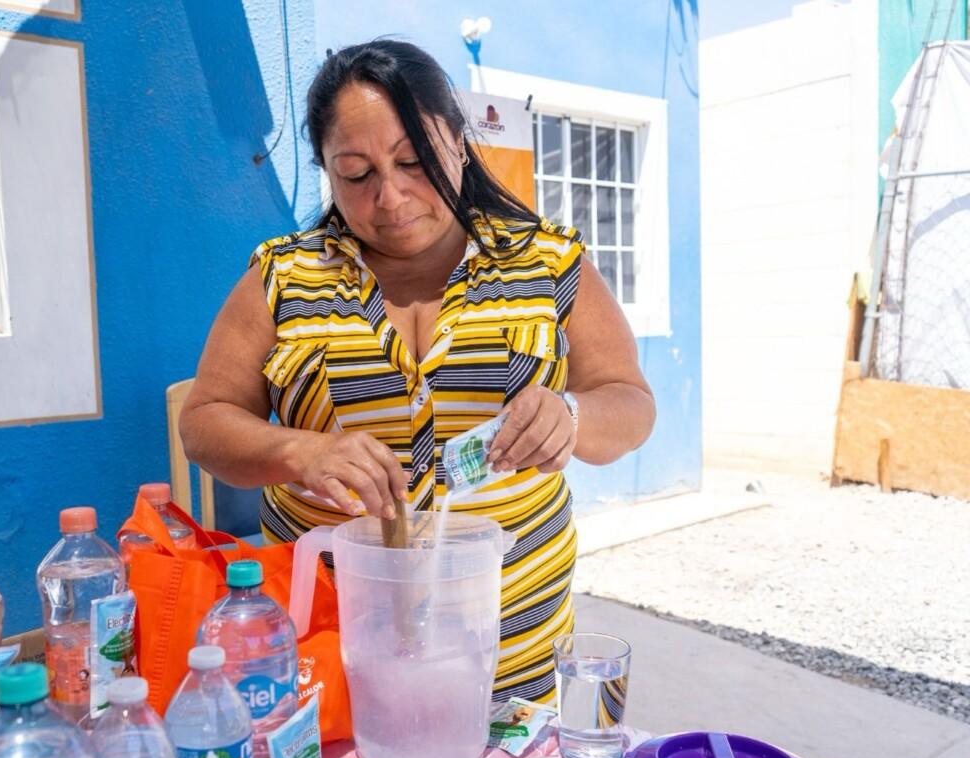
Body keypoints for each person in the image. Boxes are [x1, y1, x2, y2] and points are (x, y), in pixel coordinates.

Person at [181, 40, 655, 703]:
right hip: (331, 653)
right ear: (325, 171)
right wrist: (299, 451)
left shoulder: (546, 264)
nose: (392, 196)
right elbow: (204, 424)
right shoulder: (283, 277)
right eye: (356, 172)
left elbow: (630, 402)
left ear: (459, 143)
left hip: (513, 660)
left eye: (414, 161)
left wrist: (571, 417)